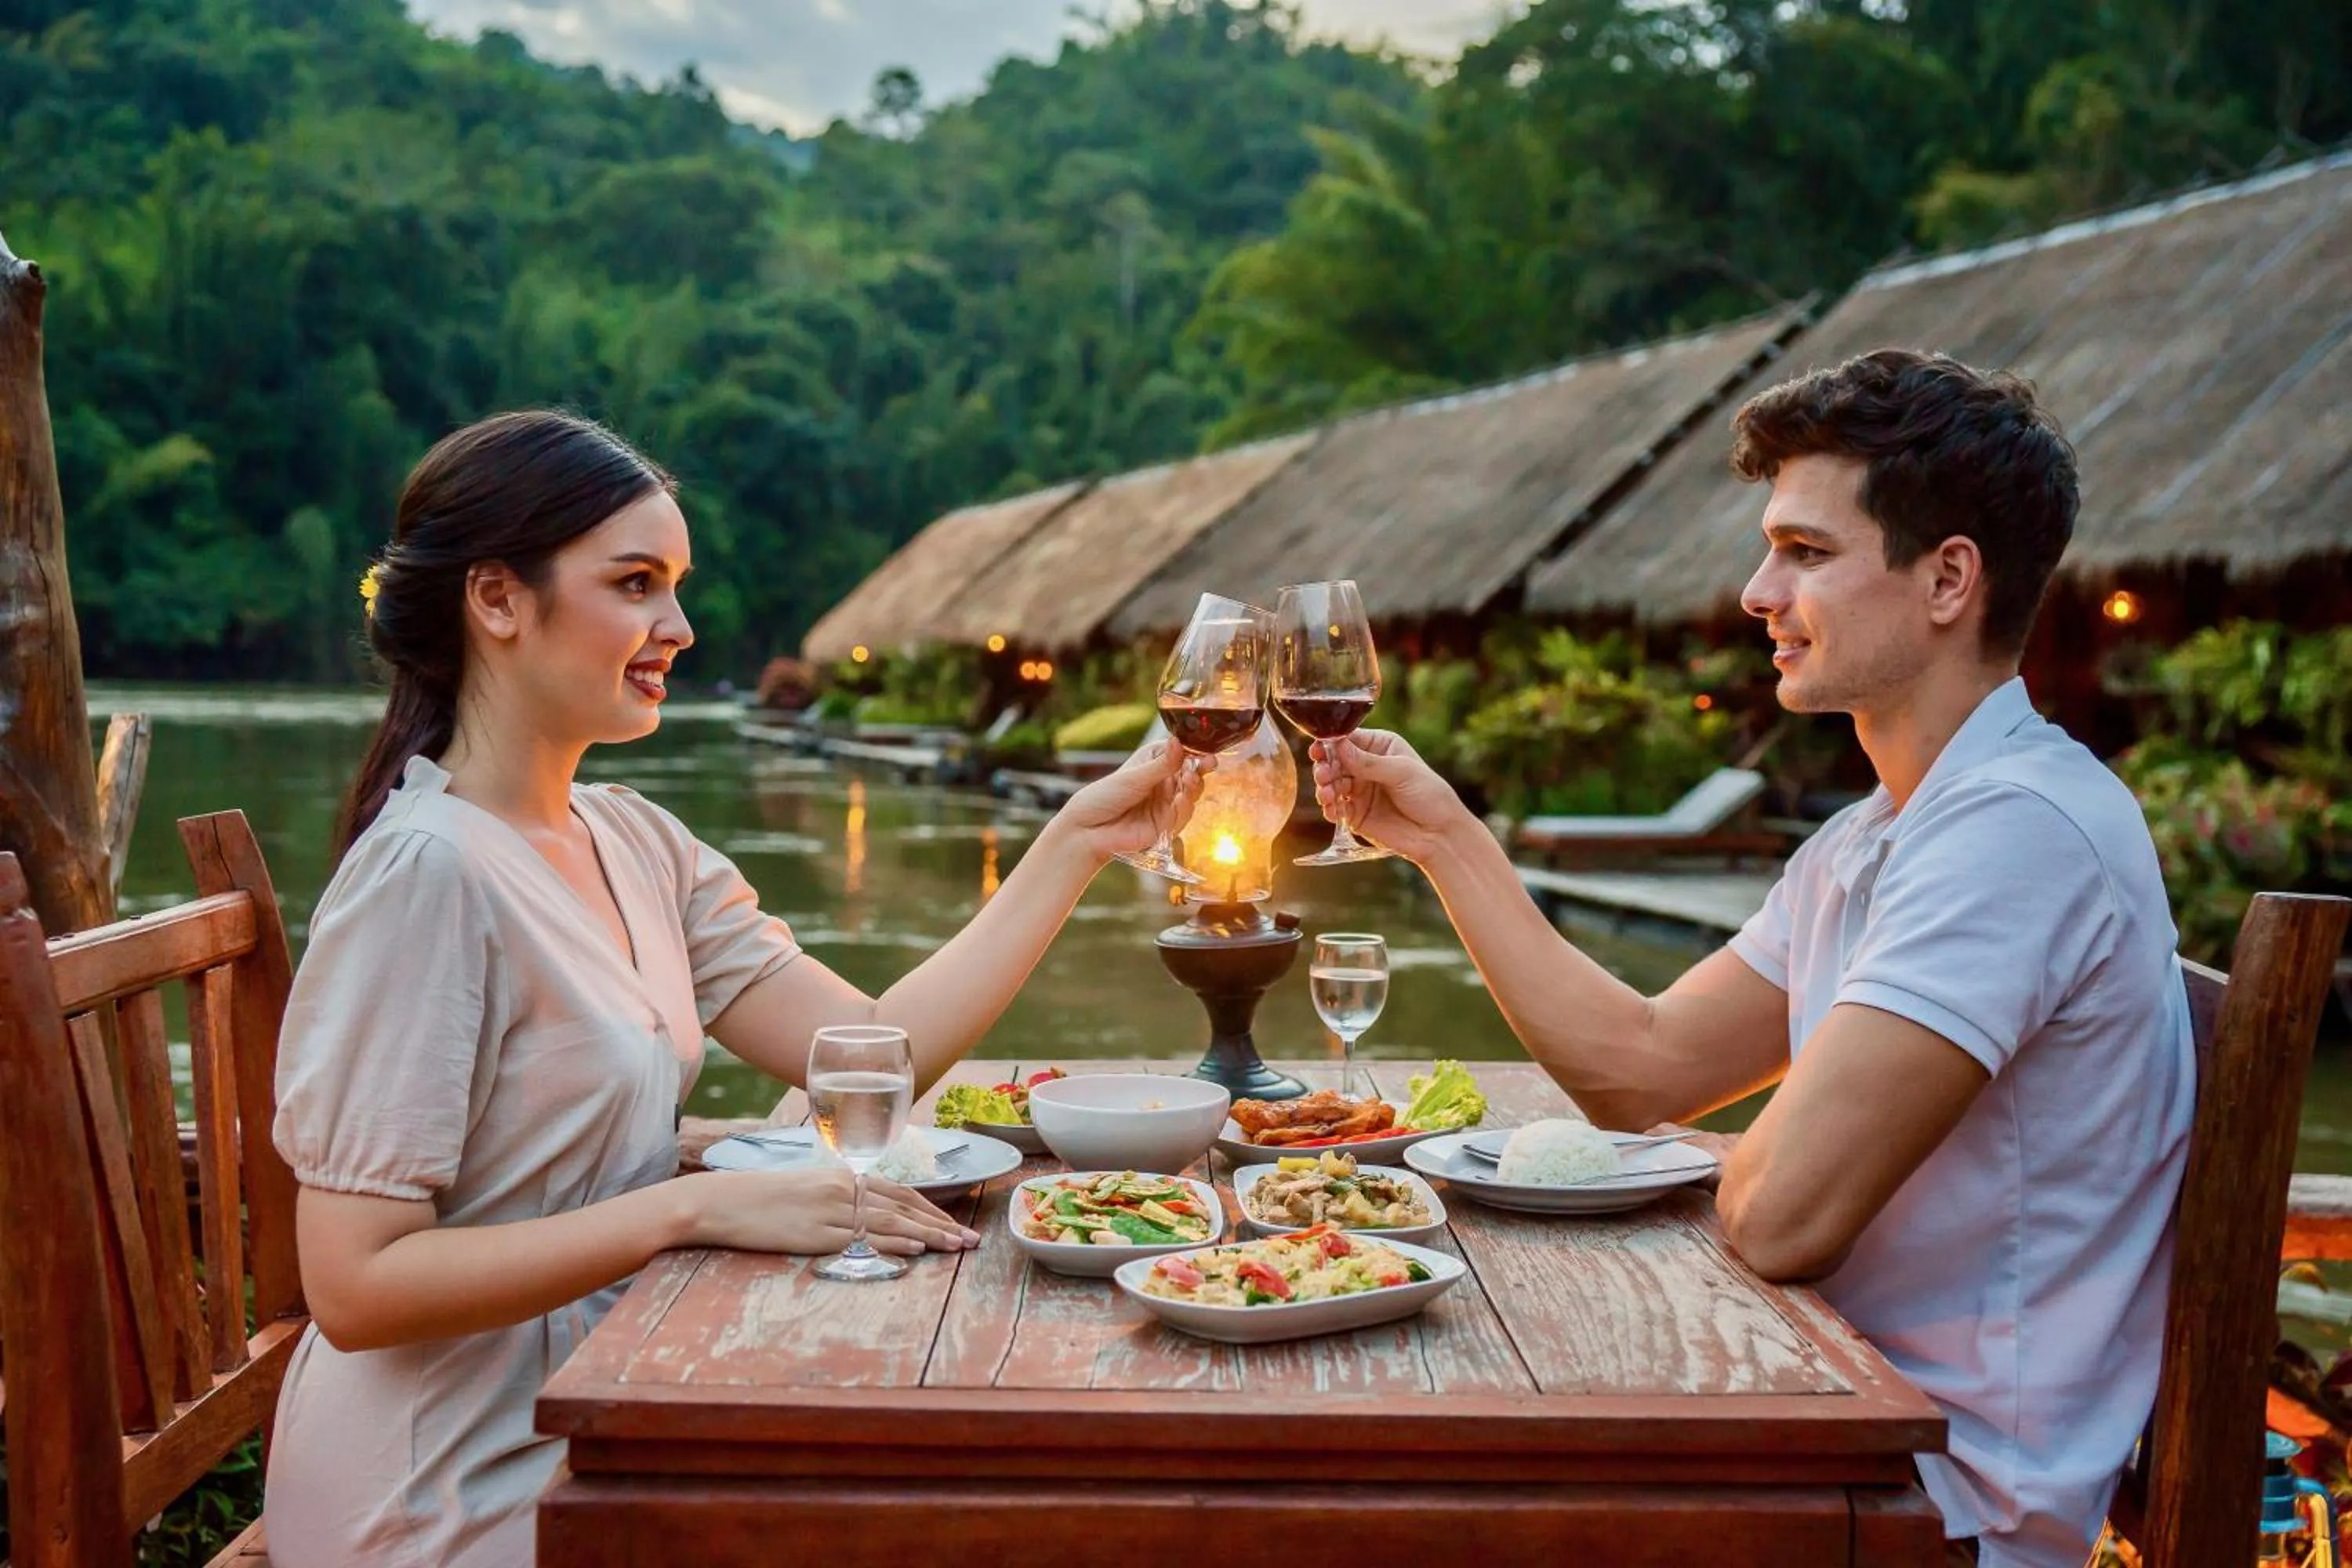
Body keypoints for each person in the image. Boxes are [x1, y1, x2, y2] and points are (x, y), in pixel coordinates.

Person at [265, 410, 1207, 1566]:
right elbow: (356, 1286)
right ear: (498, 600)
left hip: (616, 1407)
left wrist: (1073, 846)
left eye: (675, 585)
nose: (679, 626)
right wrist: (697, 1201)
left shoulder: (631, 839)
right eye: (635, 583)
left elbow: (870, 1052)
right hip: (453, 1482)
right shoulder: (428, 875)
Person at [1313, 350, 2193, 1568]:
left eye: (1807, 552)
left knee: (1381, 1497)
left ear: (1948, 579)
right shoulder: (1877, 833)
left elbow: (1782, 1216)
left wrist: (1768, 1147)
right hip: (1824, 1419)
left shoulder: (2016, 833)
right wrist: (1443, 841)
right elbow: (1643, 1070)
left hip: (1935, 1499)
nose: (1753, 590)